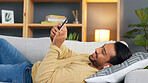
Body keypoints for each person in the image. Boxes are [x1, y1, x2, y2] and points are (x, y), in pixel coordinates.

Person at [0, 24, 132, 83]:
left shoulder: (82, 76)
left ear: (108, 66)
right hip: (31, 67)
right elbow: (67, 54)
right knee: (1, 43)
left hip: (26, 77)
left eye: (103, 52)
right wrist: (56, 39)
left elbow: (42, 80)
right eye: (101, 47)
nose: (97, 50)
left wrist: (55, 46)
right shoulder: (90, 60)